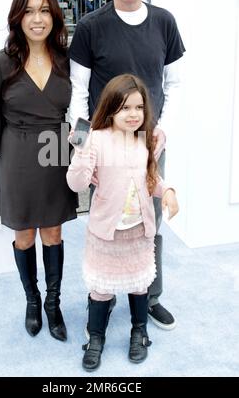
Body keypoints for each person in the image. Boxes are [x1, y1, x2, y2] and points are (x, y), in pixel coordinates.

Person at [69, 0, 185, 330]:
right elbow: (79, 93)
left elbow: (176, 84)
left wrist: (163, 130)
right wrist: (82, 146)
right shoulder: (89, 27)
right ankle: (101, 294)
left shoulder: (165, 22)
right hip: (105, 146)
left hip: (149, 143)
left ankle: (150, 296)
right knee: (106, 220)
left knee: (149, 222)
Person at [0, 0, 78, 342]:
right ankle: (32, 301)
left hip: (56, 147)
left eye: (44, 10)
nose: (38, 19)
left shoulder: (68, 61)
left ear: (54, 15)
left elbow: (80, 109)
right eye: (30, 11)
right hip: (17, 152)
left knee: (53, 231)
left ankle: (53, 304)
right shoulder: (1, 64)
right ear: (18, 17)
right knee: (24, 234)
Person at [67, 74, 179, 370]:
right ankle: (95, 338)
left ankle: (139, 333)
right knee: (101, 289)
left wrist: (167, 191)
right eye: (125, 107)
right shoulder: (95, 139)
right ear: (111, 108)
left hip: (139, 232)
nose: (133, 114)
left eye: (138, 108)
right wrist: (80, 151)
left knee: (140, 285)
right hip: (106, 232)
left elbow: (151, 179)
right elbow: (77, 183)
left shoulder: (145, 140)